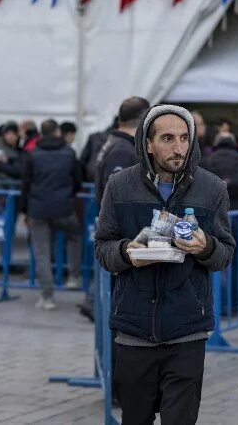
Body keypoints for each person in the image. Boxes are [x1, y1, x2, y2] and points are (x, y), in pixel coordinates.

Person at [94, 104, 235, 424]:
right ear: (147, 142)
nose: (179, 148)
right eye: (168, 139)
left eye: (185, 138)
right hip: (133, 328)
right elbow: (102, 247)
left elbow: (225, 253)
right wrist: (127, 252)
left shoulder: (212, 188)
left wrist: (206, 247)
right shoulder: (120, 186)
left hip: (186, 328)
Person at [79, 96, 150, 322]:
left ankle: (94, 303)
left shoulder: (114, 143)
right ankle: (96, 305)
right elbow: (119, 192)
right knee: (113, 270)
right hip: (121, 224)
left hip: (114, 220)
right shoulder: (122, 149)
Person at [20, 119, 84, 309]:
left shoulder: (33, 154)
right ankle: (74, 277)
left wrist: (24, 210)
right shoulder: (69, 153)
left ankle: (47, 297)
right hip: (63, 208)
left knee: (42, 252)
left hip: (37, 210)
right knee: (75, 235)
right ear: (57, 132)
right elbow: (78, 181)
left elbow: (25, 185)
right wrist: (67, 195)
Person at [200, 131, 238, 315]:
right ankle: (233, 304)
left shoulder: (207, 160)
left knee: (214, 258)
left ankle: (217, 304)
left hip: (214, 218)